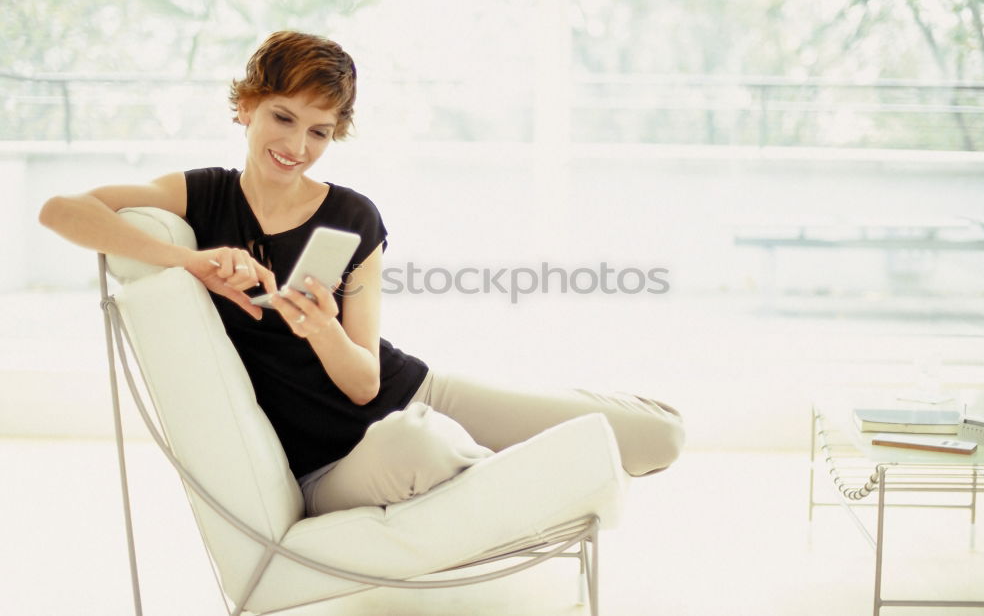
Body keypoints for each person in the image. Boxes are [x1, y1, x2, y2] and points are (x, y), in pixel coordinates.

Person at [39, 31, 684, 515]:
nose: (296, 146)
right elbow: (61, 210)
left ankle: (520, 459)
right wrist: (192, 261)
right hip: (337, 462)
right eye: (283, 117)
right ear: (247, 107)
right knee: (420, 449)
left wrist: (320, 328)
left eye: (319, 131)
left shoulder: (351, 216)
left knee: (657, 437)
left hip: (418, 392)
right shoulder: (204, 196)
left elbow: (364, 379)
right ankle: (514, 472)